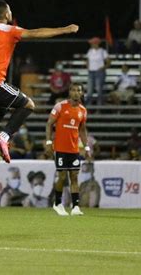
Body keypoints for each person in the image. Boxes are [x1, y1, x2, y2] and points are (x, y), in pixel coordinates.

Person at [0, 0, 78, 163]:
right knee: (28, 104)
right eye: (10, 10)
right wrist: (65, 29)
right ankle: (3, 138)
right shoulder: (9, 30)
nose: (11, 13)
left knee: (3, 104)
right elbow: (36, 33)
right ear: (5, 14)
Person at [45, 83, 89, 216]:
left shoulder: (83, 110)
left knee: (74, 177)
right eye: (74, 90)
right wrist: (48, 142)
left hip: (74, 149)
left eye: (79, 90)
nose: (76, 93)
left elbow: (82, 129)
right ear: (69, 92)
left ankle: (75, 207)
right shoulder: (60, 106)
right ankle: (58, 203)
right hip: (60, 148)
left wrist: (86, 147)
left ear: (81, 93)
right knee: (62, 176)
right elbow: (49, 124)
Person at [86, 37, 110, 105]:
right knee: (89, 91)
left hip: (99, 72)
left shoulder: (102, 51)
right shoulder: (90, 51)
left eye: (92, 43)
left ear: (96, 44)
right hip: (91, 72)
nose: (91, 44)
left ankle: (99, 108)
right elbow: (87, 60)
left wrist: (103, 68)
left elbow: (108, 62)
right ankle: (88, 107)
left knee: (99, 90)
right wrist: (88, 67)